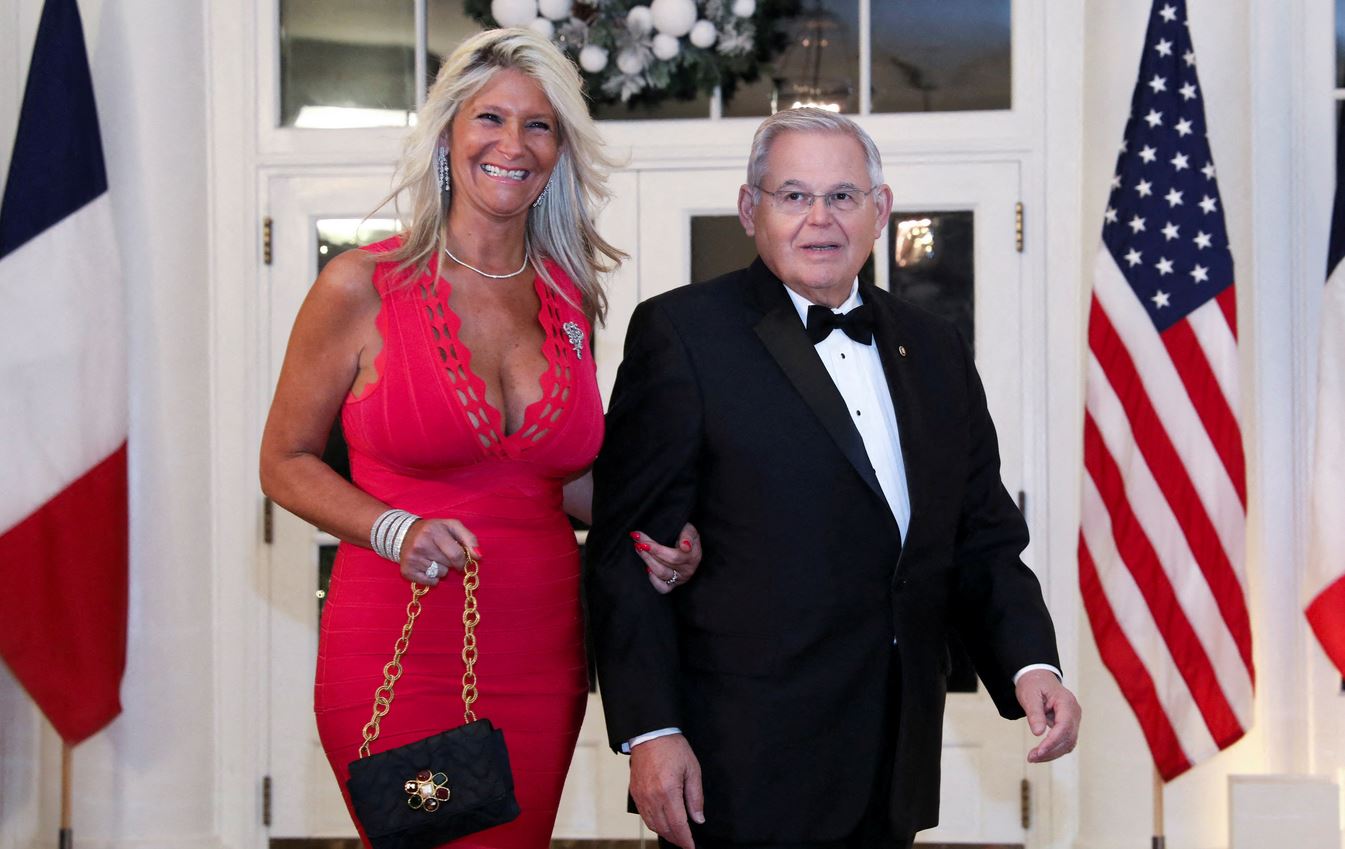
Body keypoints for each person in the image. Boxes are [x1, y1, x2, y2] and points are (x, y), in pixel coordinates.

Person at [585, 108, 1081, 849]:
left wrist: (1029, 662)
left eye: (843, 196)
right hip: (740, 760)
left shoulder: (935, 347)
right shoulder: (682, 334)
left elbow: (979, 533)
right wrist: (651, 729)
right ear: (750, 209)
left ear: (880, 210)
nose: (819, 218)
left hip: (894, 757)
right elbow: (630, 554)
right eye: (793, 195)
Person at [259, 28, 702, 849]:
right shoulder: (361, 285)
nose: (512, 144)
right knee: (434, 834)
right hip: (398, 647)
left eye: (538, 125)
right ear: (447, 135)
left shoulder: (568, 296)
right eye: (490, 118)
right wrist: (393, 527)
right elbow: (283, 461)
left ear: (559, 151)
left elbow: (557, 475)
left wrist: (654, 531)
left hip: (541, 653)